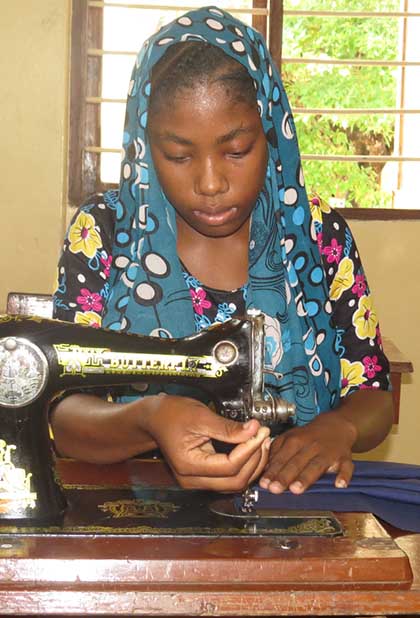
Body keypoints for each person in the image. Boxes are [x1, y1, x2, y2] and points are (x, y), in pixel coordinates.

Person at [52, 6, 393, 495]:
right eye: (179, 155)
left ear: (271, 134)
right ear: (146, 147)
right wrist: (149, 418)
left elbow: (374, 394)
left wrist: (340, 428)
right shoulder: (105, 233)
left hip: (293, 498)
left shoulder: (318, 236)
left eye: (236, 151)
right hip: (145, 505)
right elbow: (65, 415)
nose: (210, 183)